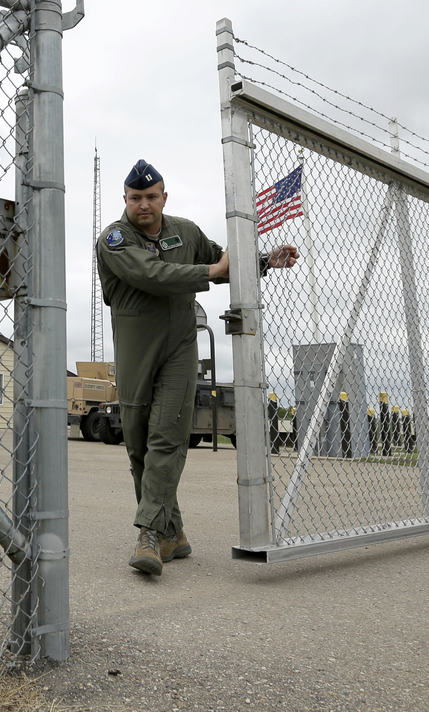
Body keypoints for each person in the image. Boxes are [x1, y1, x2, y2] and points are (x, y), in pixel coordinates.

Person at [96, 159, 299, 576]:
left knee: (167, 439)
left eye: (152, 197)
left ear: (164, 197)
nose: (144, 204)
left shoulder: (185, 232)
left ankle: (148, 536)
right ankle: (174, 533)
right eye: (136, 198)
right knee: (139, 447)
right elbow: (152, 274)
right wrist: (212, 270)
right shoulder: (114, 240)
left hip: (180, 349)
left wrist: (264, 260)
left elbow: (223, 262)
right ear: (126, 200)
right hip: (136, 350)